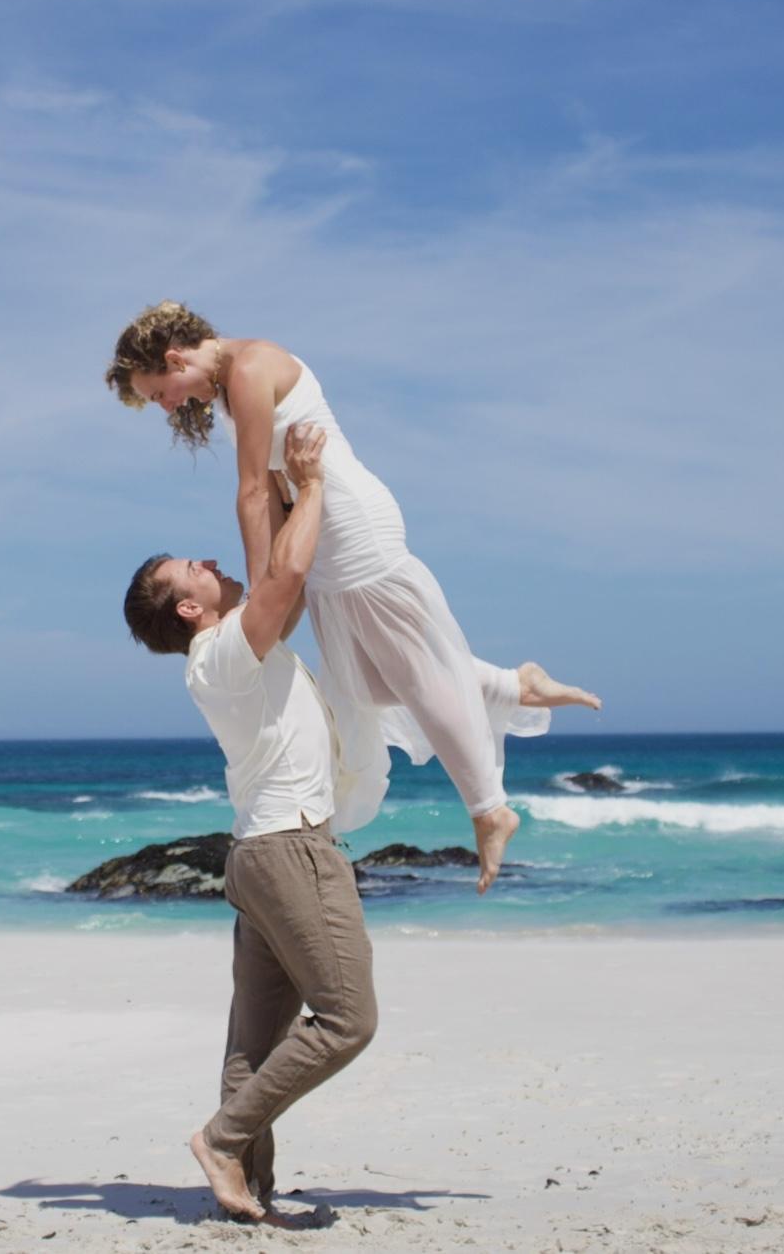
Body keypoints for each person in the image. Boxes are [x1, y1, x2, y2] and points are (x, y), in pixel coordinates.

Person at [107, 301, 601, 893]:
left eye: (158, 393)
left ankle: (490, 810)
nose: (166, 407)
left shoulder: (250, 368)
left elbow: (252, 493)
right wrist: (268, 585)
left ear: (173, 359)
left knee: (419, 675)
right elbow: (274, 490)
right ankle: (511, 686)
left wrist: (263, 588)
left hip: (350, 524)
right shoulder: (230, 386)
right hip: (320, 530)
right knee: (364, 688)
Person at [123, 422, 375, 1224]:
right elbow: (286, 572)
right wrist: (315, 483)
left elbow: (279, 582)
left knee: (254, 1048)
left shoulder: (236, 648)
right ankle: (223, 1140)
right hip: (291, 851)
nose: (213, 561)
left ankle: (248, 1193)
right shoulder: (224, 655)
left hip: (261, 855)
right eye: (196, 568)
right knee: (347, 1019)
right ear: (189, 606)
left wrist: (278, 487)